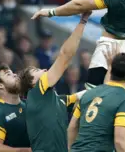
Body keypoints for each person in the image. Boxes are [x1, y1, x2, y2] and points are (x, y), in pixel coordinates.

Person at [18, 12, 90, 152]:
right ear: (32, 82)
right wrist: (82, 22)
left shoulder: (56, 100)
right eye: (37, 70)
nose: (44, 69)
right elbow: (65, 56)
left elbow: (81, 95)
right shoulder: (36, 92)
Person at [67, 51, 125, 152]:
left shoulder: (88, 94)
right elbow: (120, 141)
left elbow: (72, 127)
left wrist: (70, 148)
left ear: (111, 70)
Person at [0, 65, 31, 151]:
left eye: (13, 72)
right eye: (8, 74)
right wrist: (28, 151)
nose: (15, 75)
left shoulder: (29, 104)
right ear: (0, 85)